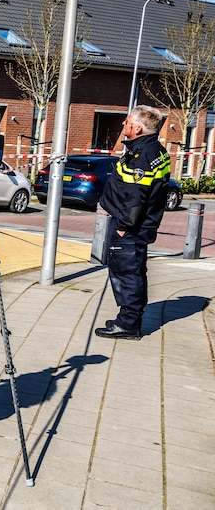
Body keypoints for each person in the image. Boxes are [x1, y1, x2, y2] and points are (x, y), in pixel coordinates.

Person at [94, 105, 171, 340]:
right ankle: (129, 318)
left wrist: (123, 226)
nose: (123, 125)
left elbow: (137, 196)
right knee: (134, 271)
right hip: (137, 224)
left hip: (130, 226)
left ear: (137, 128)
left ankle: (128, 324)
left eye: (126, 122)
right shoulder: (155, 151)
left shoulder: (143, 156)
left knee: (127, 273)